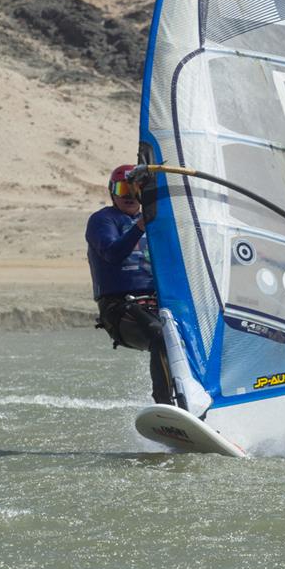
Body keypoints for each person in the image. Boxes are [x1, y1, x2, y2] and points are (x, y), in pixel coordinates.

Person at [85, 165, 173, 405]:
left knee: (194, 334)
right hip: (119, 309)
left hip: (159, 303)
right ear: (112, 193)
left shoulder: (159, 222)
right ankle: (166, 405)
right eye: (121, 189)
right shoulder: (103, 220)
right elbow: (113, 254)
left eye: (133, 189)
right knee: (160, 334)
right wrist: (140, 227)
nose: (128, 195)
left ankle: (203, 396)